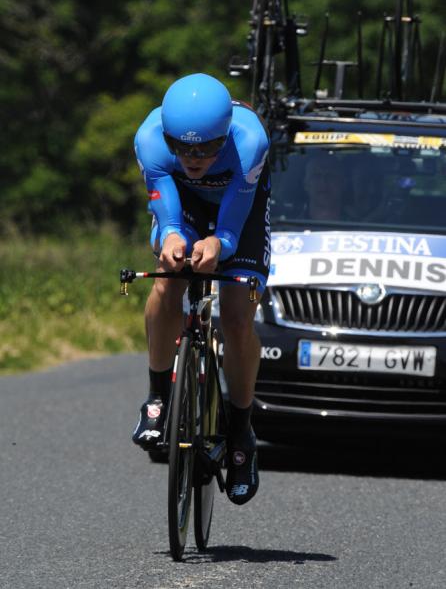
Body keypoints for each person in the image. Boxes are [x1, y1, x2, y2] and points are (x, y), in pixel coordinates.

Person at [132, 73, 271, 506]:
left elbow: (231, 226)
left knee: (236, 312)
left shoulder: (250, 141)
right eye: (182, 147)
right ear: (167, 137)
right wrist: (174, 238)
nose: (193, 158)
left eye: (207, 147)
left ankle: (242, 429)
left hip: (239, 214)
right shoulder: (151, 140)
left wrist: (219, 243)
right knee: (167, 280)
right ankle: (157, 397)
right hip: (185, 208)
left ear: (225, 135)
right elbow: (167, 213)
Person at [302, 152, 345, 221]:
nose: (323, 182)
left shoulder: (361, 227)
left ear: (342, 183)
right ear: (306, 185)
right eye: (316, 176)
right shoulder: (287, 226)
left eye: (331, 176)